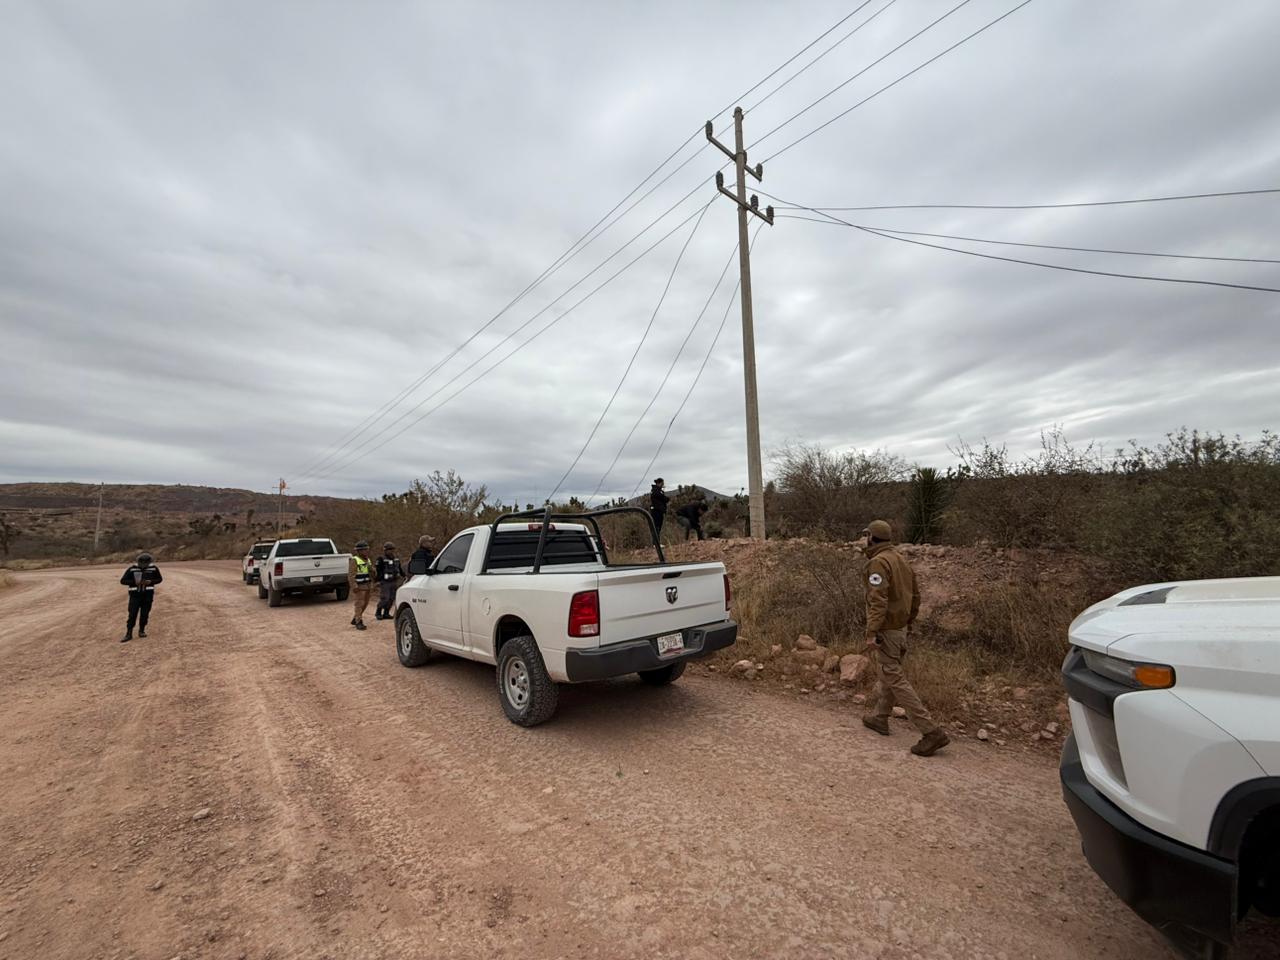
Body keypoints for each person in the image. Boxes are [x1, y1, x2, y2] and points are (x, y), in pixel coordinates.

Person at [858, 520, 949, 757]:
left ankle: (931, 731)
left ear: (871, 538)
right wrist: (908, 623)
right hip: (900, 629)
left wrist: (871, 631)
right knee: (890, 672)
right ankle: (880, 718)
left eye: (866, 536)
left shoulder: (878, 562)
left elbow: (878, 601)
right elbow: (916, 596)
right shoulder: (900, 560)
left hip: (887, 629)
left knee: (895, 678)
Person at [119, 552, 163, 643]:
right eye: (141, 562)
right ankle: (128, 633)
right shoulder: (132, 569)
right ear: (138, 561)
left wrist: (150, 582)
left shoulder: (154, 569)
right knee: (132, 614)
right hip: (135, 596)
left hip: (148, 595)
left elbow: (159, 579)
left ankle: (141, 631)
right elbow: (123, 581)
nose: (143, 565)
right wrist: (134, 582)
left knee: (145, 614)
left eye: (145, 563)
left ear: (149, 562)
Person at [374, 541, 404, 621]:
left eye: (392, 549)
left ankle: (386, 613)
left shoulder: (396, 558)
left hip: (394, 581)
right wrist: (378, 581)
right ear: (385, 550)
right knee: (385, 598)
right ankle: (378, 612)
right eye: (389, 549)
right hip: (385, 582)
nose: (391, 551)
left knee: (391, 598)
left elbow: (399, 569)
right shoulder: (381, 559)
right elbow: (378, 570)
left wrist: (404, 576)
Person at [349, 541, 374, 631]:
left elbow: (371, 572)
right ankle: (359, 622)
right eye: (365, 550)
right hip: (359, 586)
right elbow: (351, 575)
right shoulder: (354, 560)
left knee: (366, 603)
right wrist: (354, 586)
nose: (367, 551)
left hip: (367, 585)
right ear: (359, 551)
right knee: (359, 604)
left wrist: (373, 570)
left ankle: (356, 618)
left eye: (367, 549)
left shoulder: (368, 559)